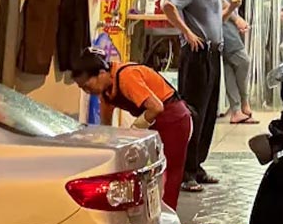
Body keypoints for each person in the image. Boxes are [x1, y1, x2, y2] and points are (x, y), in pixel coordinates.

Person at [70, 49, 192, 210]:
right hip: (156, 122)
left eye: (87, 85)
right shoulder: (106, 91)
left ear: (101, 73)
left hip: (174, 118)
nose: (87, 91)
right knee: (151, 174)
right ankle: (151, 213)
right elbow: (105, 126)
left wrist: (136, 128)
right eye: (82, 88)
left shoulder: (126, 77)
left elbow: (156, 107)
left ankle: (168, 218)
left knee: (168, 174)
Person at [162, 0, 229, 191]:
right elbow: (167, 4)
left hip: (213, 53)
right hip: (197, 55)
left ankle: (197, 165)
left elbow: (215, 19)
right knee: (193, 112)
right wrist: (187, 32)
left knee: (209, 111)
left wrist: (231, 10)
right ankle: (185, 172)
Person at [214, 0, 254, 125]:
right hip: (220, 23)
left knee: (230, 64)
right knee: (242, 60)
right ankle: (243, 104)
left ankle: (236, 109)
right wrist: (236, 17)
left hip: (223, 22)